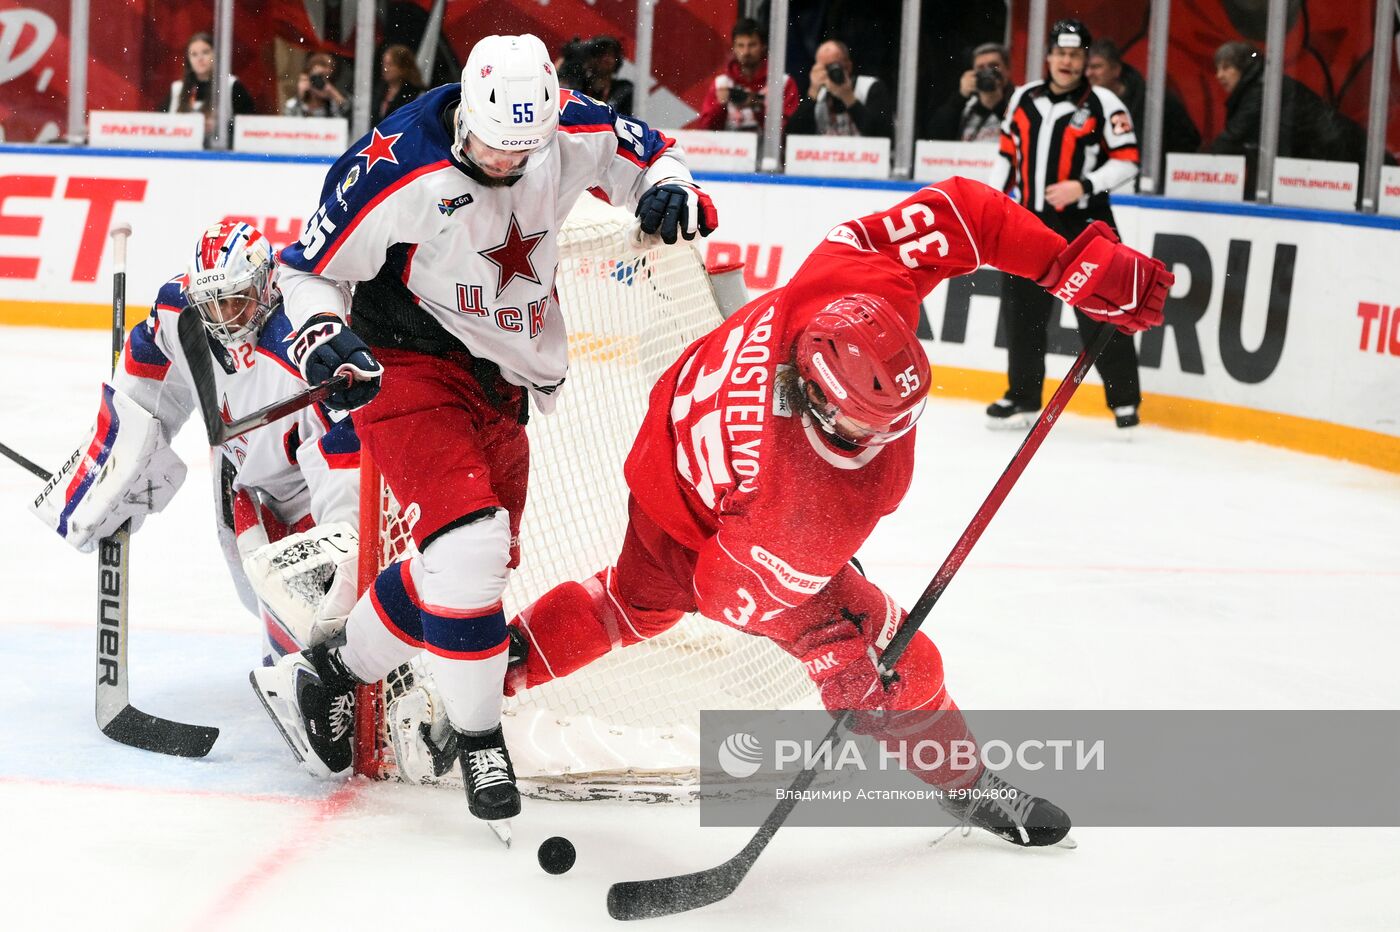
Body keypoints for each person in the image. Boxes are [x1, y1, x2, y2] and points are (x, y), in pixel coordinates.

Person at [487, 178, 1169, 846]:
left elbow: (963, 213)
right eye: (867, 425)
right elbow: (723, 592)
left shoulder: (850, 282)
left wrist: (1075, 266)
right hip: (722, 521)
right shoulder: (809, 504)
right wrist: (839, 656)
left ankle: (487, 671)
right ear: (816, 399)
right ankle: (966, 784)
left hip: (670, 450)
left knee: (630, 603)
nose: (886, 441)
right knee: (907, 663)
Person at [249, 33, 718, 835]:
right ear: (465, 111)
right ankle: (478, 739)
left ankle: (330, 671)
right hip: (405, 361)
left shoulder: (564, 125)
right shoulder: (397, 162)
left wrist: (671, 186)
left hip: (505, 376)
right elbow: (304, 267)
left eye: (520, 153)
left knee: (470, 565)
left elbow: (648, 154)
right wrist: (323, 332)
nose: (504, 163)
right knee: (470, 548)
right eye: (492, 146)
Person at [30, 221, 362, 665]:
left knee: (319, 609)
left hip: (308, 485)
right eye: (212, 304)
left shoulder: (301, 350)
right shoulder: (179, 312)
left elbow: (344, 464)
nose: (225, 318)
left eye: (236, 300)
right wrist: (112, 464)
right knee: (252, 590)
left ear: (268, 284)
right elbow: (143, 390)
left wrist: (347, 554)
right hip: (237, 470)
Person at [988, 19, 1144, 430]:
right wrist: (994, 203)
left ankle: (1124, 401)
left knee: (1101, 310)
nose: (1066, 62)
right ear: (1049, 56)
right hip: (1028, 222)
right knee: (1022, 310)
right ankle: (1022, 396)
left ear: (1085, 59)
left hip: (1086, 224)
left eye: (1075, 55)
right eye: (1060, 53)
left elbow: (1128, 161)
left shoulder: (1104, 103)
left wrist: (1083, 185)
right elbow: (1006, 156)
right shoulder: (1023, 98)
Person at [1209, 42, 1367, 197]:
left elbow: (1233, 136)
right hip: (1334, 157)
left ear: (1243, 68)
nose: (1219, 75)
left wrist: (1201, 164)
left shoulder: (1260, 89)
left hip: (1341, 157)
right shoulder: (1262, 84)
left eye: (1226, 68)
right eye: (1217, 69)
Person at [1085, 38, 1200, 182]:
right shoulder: (1082, 104)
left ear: (1116, 70)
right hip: (1102, 183)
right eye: (1086, 67)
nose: (1089, 73)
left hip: (1148, 186)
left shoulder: (1154, 100)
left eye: (1096, 67)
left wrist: (1162, 174)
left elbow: (1188, 140)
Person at [688, 18, 800, 133]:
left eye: (752, 45)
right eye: (741, 45)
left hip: (766, 145)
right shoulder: (721, 84)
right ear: (734, 48)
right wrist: (720, 106)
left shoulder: (783, 83)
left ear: (763, 46)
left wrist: (757, 108)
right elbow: (704, 131)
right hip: (729, 144)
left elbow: (789, 131)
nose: (746, 52)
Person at [787, 39, 893, 139]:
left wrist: (849, 99)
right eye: (824, 68)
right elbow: (792, 137)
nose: (829, 73)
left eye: (833, 67)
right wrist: (812, 93)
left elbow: (883, 136)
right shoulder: (817, 96)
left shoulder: (870, 88)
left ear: (848, 67)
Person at [164, 32, 255, 142]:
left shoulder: (231, 85)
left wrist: (221, 127)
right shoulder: (177, 89)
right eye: (194, 54)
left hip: (220, 149)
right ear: (188, 59)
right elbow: (163, 126)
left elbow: (248, 126)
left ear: (215, 55)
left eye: (205, 52)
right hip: (182, 149)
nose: (200, 58)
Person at [923, 42, 1012, 143]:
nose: (987, 72)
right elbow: (935, 134)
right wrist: (961, 96)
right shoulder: (965, 106)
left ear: (1007, 70)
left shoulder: (1018, 100)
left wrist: (997, 103)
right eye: (981, 68)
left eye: (993, 66)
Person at [284, 52, 351, 119]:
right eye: (315, 78)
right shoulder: (293, 105)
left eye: (323, 78)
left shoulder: (333, 105)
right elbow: (290, 120)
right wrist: (300, 96)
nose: (318, 82)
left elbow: (349, 113)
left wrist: (332, 92)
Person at [375, 45, 425, 126]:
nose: (385, 69)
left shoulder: (415, 95)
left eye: (390, 64)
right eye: (384, 64)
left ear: (402, 67)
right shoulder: (380, 91)